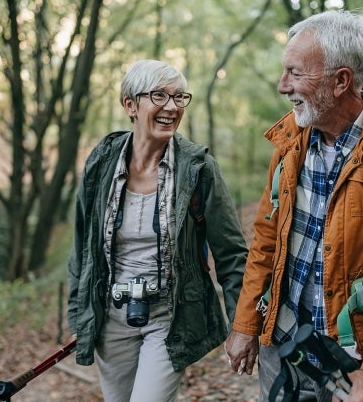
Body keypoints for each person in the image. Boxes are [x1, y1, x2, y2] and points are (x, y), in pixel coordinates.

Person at [224, 10, 363, 402]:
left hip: (361, 354)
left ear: (341, 81)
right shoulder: (292, 138)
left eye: (295, 73)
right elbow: (266, 239)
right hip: (287, 341)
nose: (282, 85)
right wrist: (245, 323)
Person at [67, 59, 248, 402]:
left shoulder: (198, 168)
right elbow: (81, 246)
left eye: (180, 97)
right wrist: (80, 315)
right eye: (160, 96)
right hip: (111, 315)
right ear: (130, 105)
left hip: (169, 315)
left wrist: (242, 325)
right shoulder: (101, 161)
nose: (172, 107)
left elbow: (231, 253)